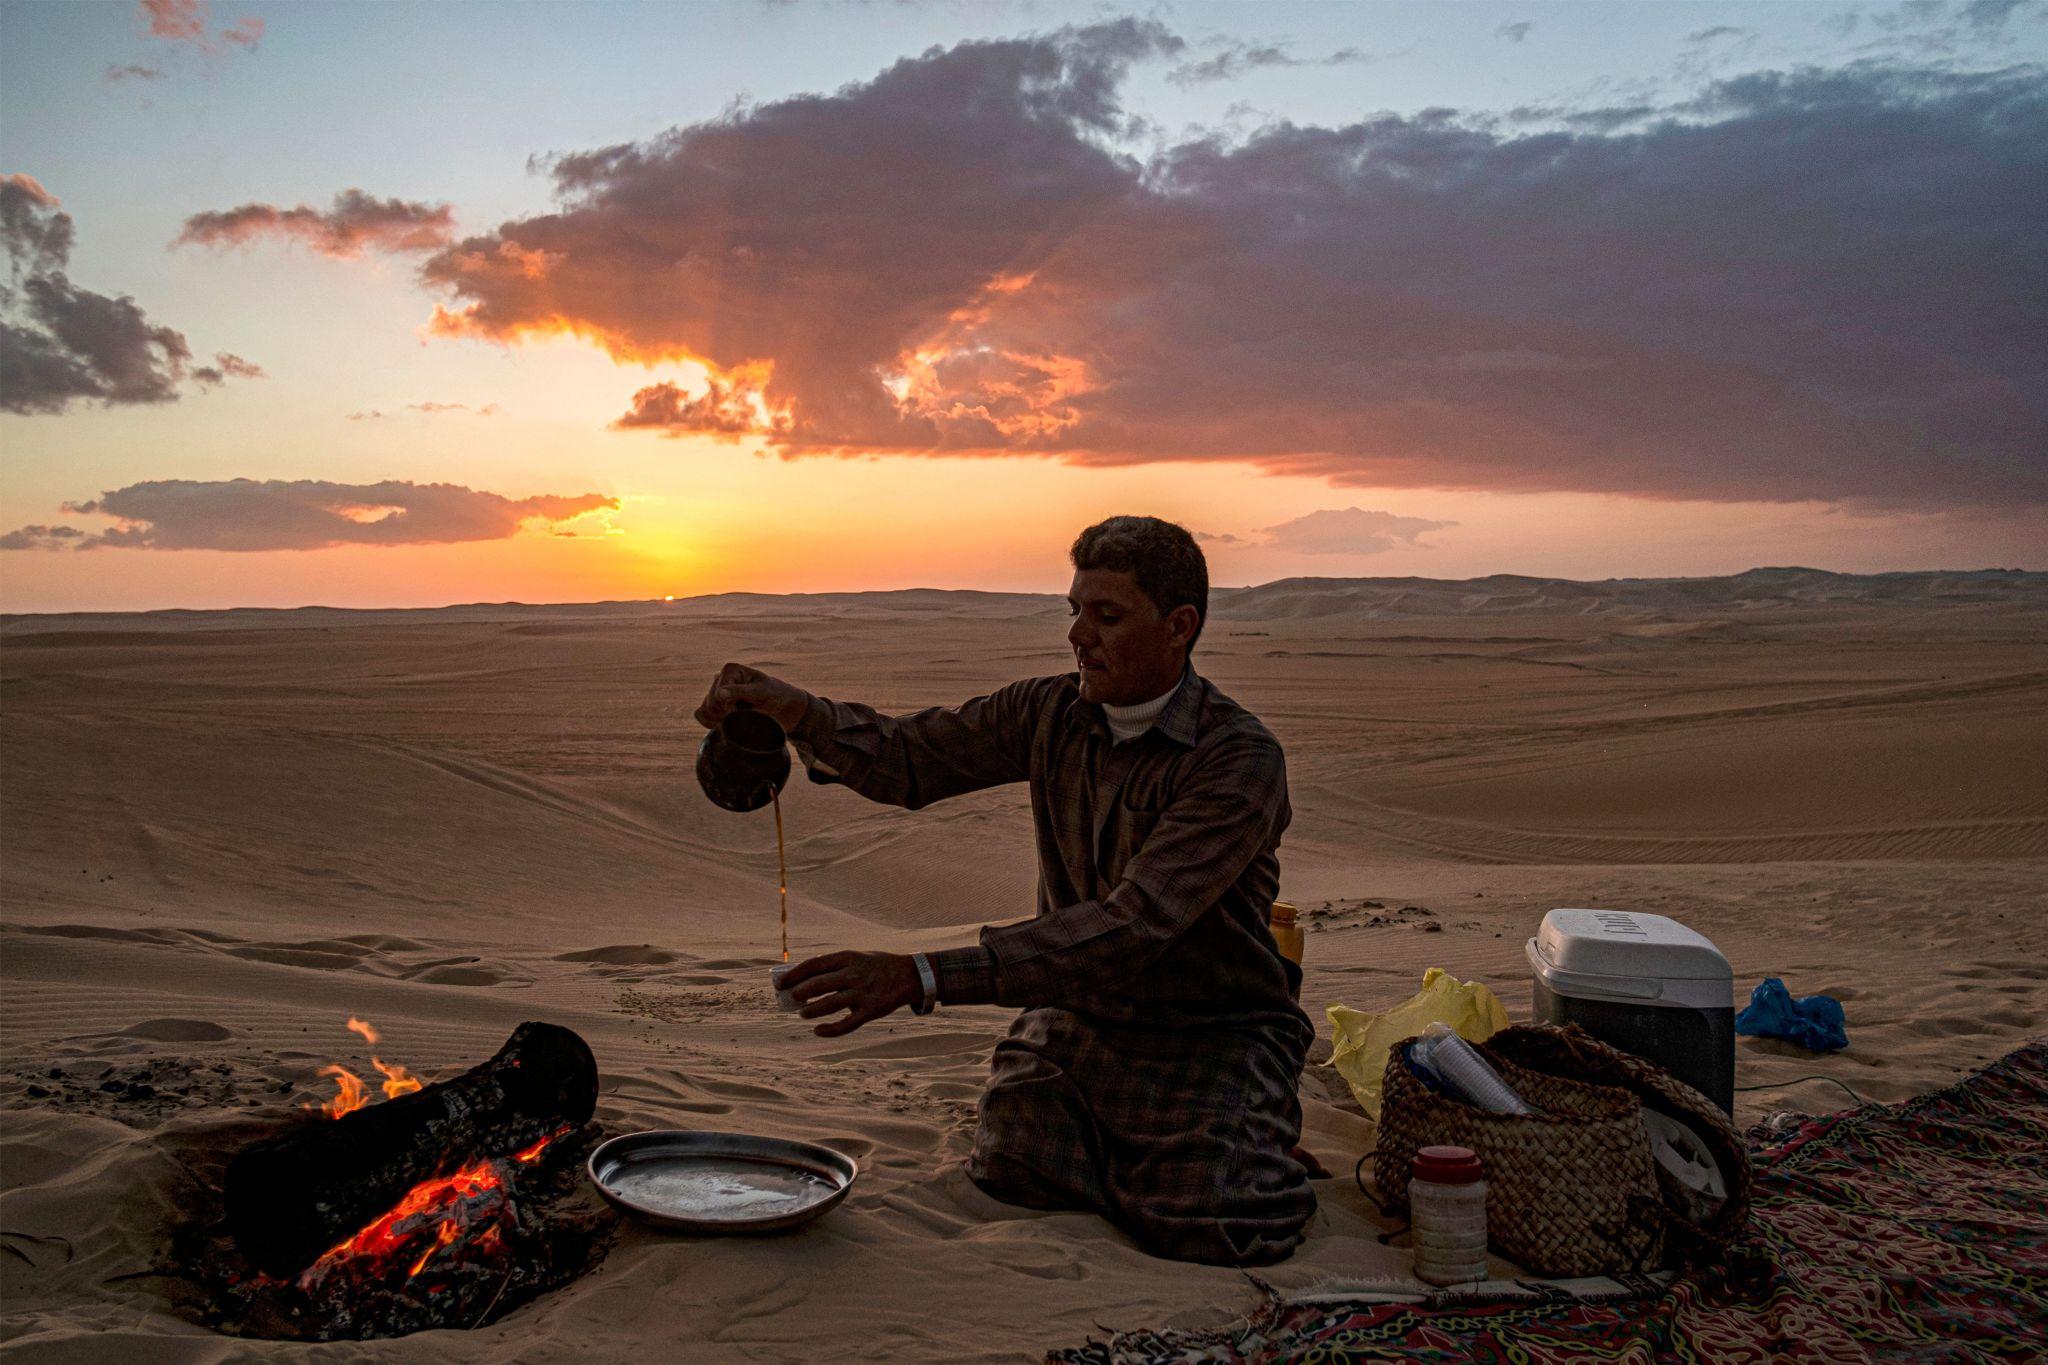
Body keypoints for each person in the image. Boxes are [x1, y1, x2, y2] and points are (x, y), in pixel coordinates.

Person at [692, 515, 1314, 1265]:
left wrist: (919, 976)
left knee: (1220, 1222)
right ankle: (1192, 1138)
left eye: (1107, 616)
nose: (1079, 635)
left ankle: (1244, 1130)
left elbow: (1134, 924)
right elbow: (910, 758)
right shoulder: (1049, 711)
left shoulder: (1236, 759)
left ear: (1179, 626)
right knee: (1015, 1162)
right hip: (1078, 1015)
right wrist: (795, 710)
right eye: (1074, 611)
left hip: (1210, 1026)